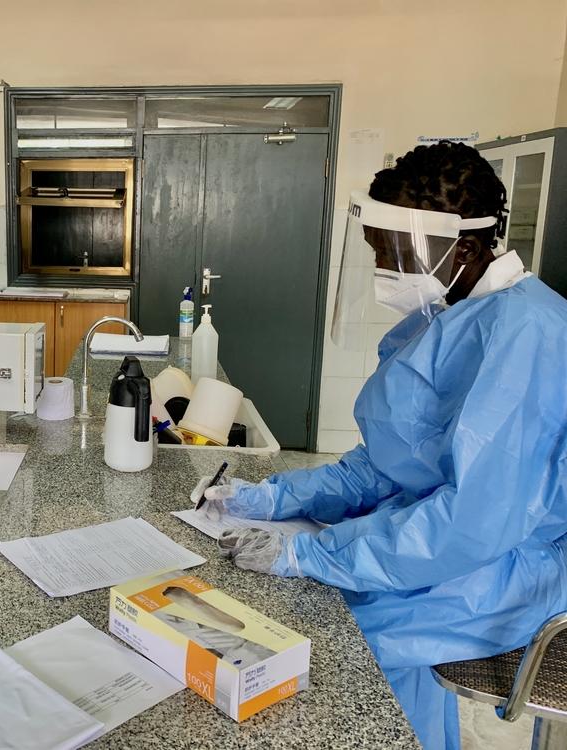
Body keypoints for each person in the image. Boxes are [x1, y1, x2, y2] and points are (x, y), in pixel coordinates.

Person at [192, 141, 567, 750]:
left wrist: (312, 556)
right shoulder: (447, 314)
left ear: (465, 248)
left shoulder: (528, 334)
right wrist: (270, 496)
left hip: (506, 564)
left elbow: (471, 523)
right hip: (442, 538)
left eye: (391, 258)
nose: (384, 274)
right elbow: (387, 463)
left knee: (331, 633)